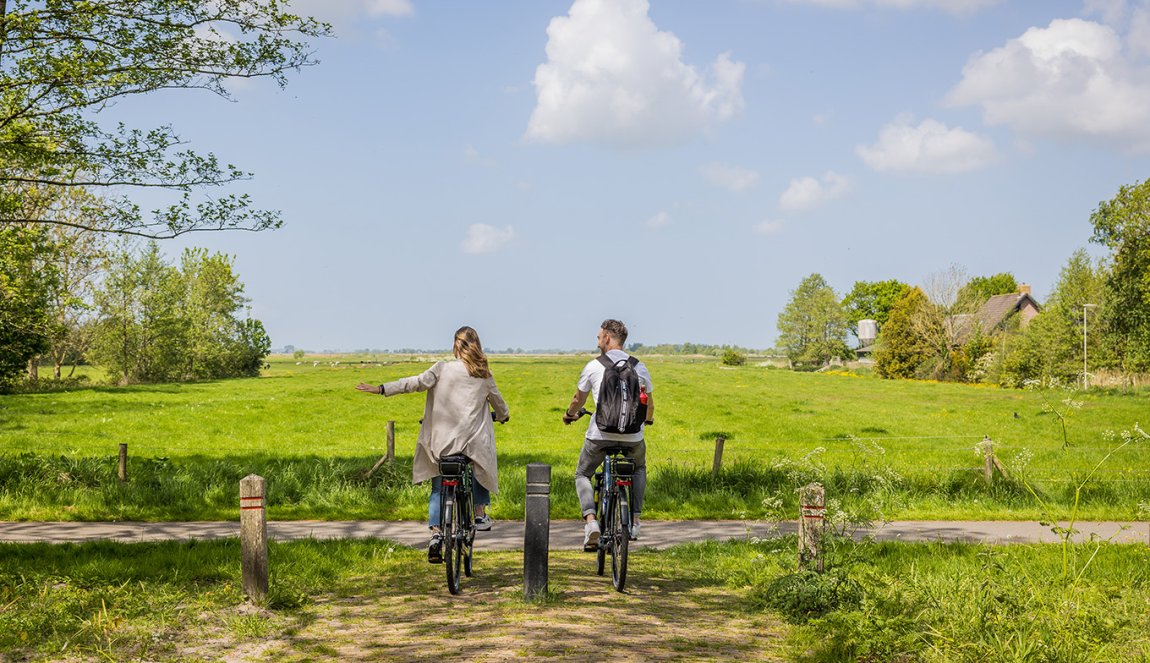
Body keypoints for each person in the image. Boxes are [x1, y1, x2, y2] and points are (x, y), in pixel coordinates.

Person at [356, 326, 509, 563]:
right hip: (470, 444)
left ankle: (436, 534)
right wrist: (503, 416)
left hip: (442, 444)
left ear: (455, 345)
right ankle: (479, 513)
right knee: (480, 463)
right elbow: (499, 404)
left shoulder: (442, 368)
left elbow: (415, 383)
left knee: (438, 488)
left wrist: (382, 389)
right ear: (476, 345)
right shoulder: (483, 374)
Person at [562, 319, 654, 549]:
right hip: (633, 436)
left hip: (599, 435)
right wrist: (648, 420)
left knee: (582, 474)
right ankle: (634, 520)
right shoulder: (639, 367)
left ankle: (591, 522)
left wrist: (569, 415)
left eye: (598, 336)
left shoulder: (594, 366)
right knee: (639, 468)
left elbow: (578, 399)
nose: (597, 340)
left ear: (607, 338)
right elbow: (649, 405)